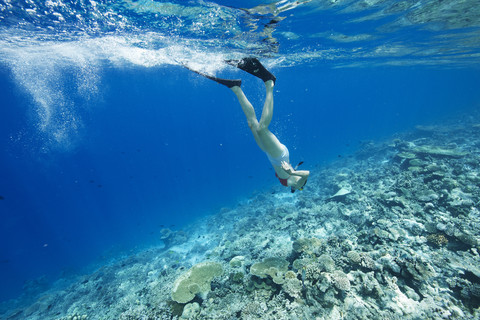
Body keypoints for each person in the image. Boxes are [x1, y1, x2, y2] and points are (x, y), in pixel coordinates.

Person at [187, 58, 309, 192]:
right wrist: (291, 173)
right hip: (279, 155)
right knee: (262, 128)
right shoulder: (300, 182)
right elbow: (307, 173)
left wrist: (290, 171)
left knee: (252, 124)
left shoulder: (290, 185)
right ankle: (269, 83)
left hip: (270, 154)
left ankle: (236, 88)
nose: (297, 189)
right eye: (300, 189)